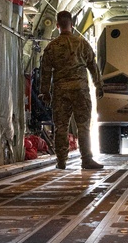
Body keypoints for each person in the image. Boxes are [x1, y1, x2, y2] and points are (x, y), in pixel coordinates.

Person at [39, 11, 105, 170]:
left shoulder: (51, 47)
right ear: (72, 24)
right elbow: (92, 66)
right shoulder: (81, 43)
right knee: (83, 126)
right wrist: (98, 85)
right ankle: (87, 159)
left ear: (57, 26)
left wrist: (45, 92)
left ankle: (61, 161)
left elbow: (45, 71)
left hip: (61, 92)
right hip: (80, 90)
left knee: (61, 127)